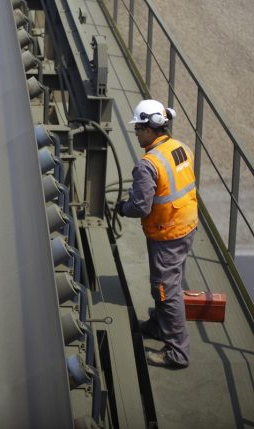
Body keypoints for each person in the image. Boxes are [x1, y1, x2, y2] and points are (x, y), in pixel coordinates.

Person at [116, 99, 198, 369]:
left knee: (166, 289)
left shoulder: (148, 165)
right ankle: (160, 326)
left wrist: (122, 208)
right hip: (185, 224)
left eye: (138, 128)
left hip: (168, 233)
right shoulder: (181, 148)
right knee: (165, 283)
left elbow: (141, 206)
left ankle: (177, 352)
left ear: (150, 130)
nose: (136, 133)